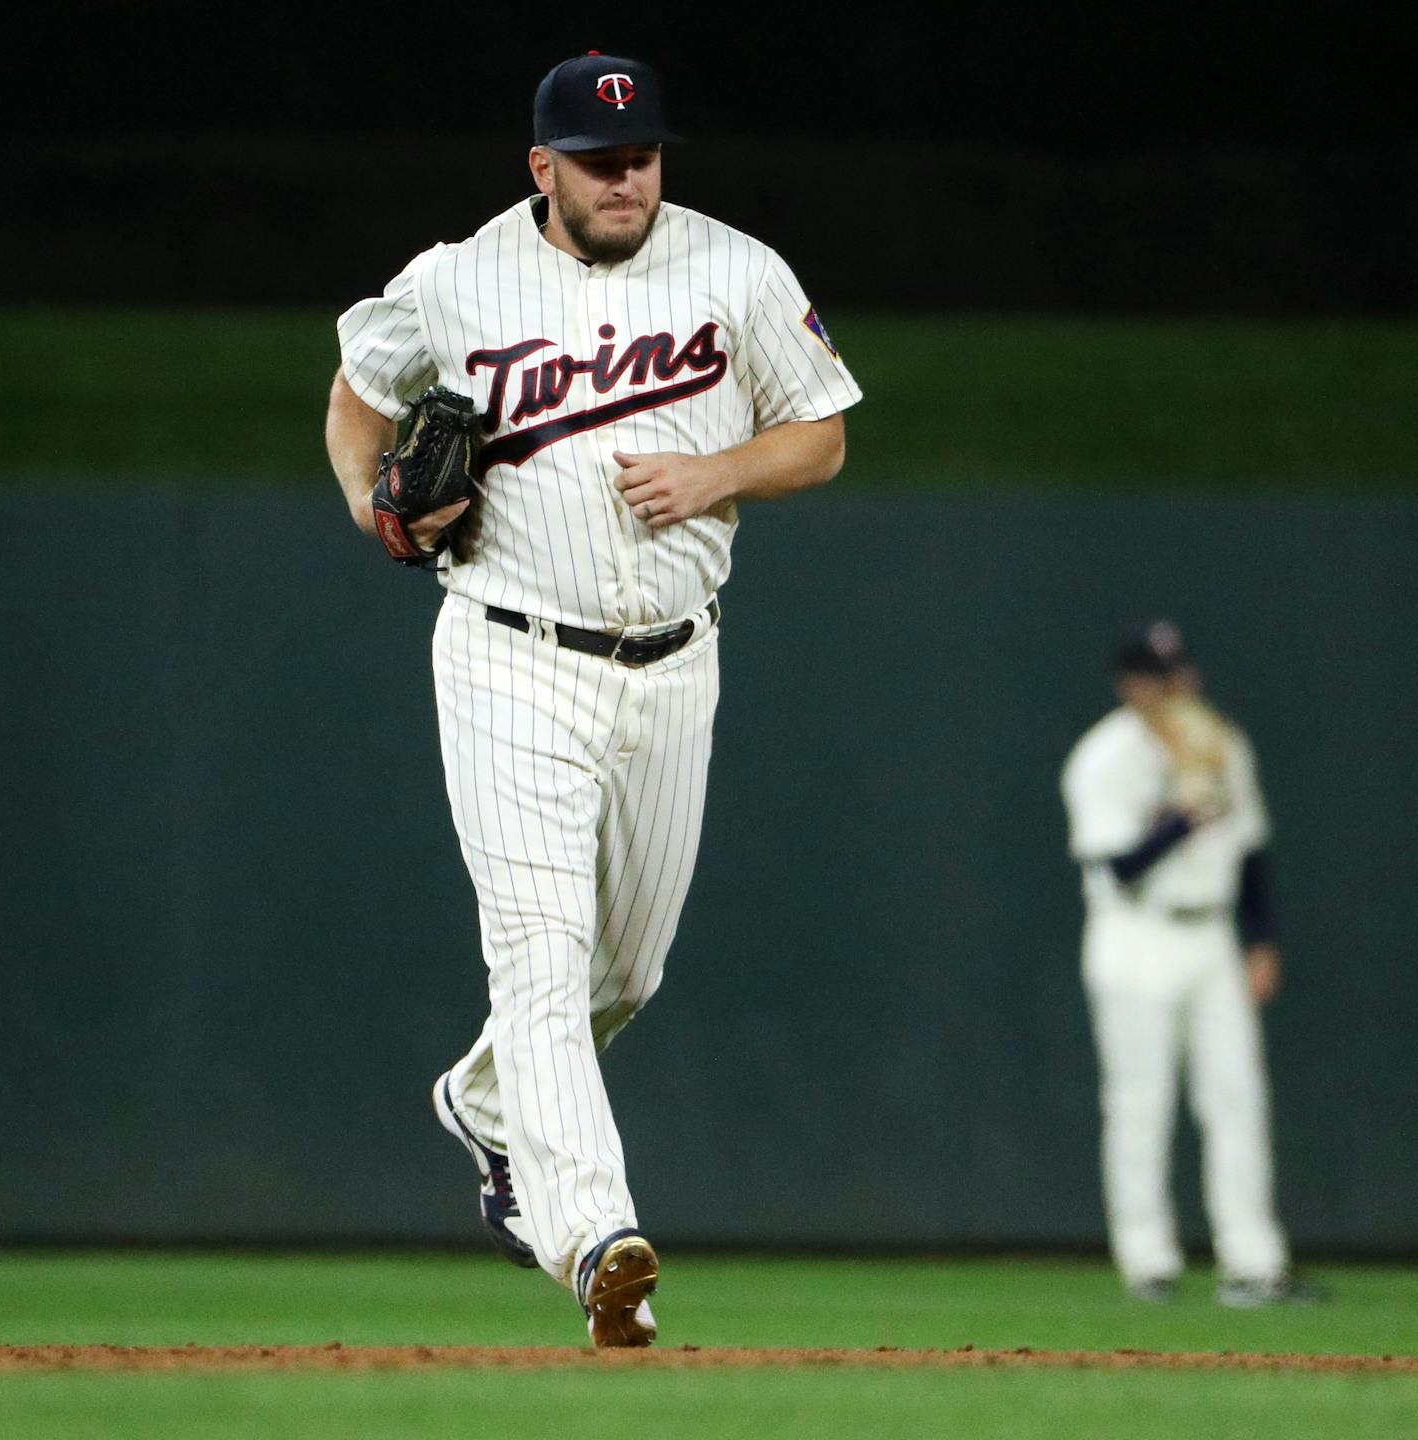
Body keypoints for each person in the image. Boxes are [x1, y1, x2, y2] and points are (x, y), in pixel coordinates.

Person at [322, 51, 860, 1347]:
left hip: (677, 660)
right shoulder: (458, 278)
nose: (630, 180)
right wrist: (371, 507)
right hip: (510, 651)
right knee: (545, 961)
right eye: (603, 160)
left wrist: (718, 468)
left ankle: (489, 1102)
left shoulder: (736, 271)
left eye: (646, 157)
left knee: (629, 965)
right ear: (543, 167)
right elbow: (356, 392)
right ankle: (599, 1244)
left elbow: (825, 431)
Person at [1059, 621, 1321, 1307]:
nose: (1172, 689)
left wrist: (1261, 941)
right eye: (1156, 678)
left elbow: (1253, 849)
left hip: (1210, 935)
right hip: (1135, 936)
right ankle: (1148, 1261)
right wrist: (1180, 818)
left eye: (1178, 675)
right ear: (1130, 687)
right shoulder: (1105, 756)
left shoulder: (1221, 744)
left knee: (1236, 1097)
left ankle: (1253, 1262)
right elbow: (1117, 868)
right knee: (1140, 1104)